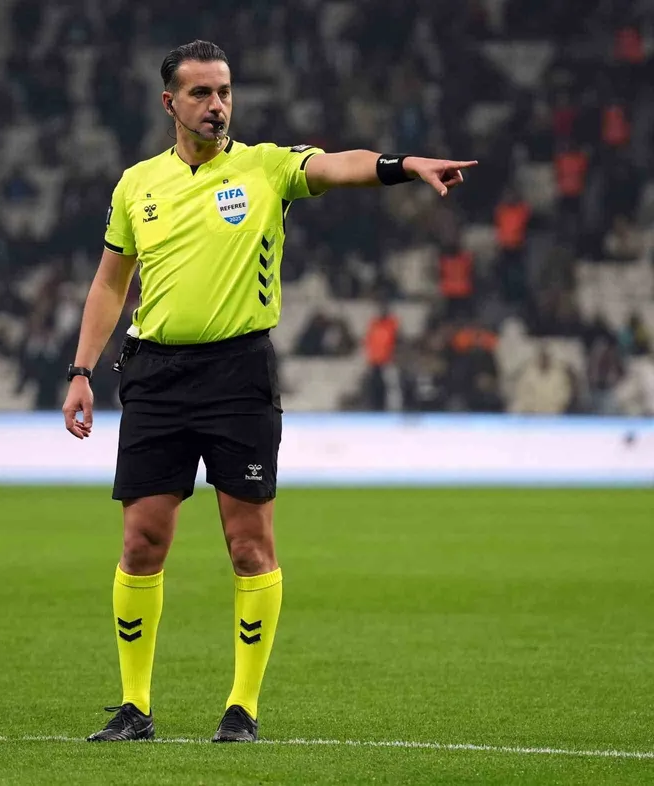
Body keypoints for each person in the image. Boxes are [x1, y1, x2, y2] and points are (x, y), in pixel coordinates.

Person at [61, 40, 477, 743]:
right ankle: (134, 706)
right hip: (155, 376)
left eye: (224, 91)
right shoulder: (137, 185)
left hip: (238, 375)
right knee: (142, 542)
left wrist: (405, 165)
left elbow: (337, 165)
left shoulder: (265, 167)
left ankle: (242, 708)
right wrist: (81, 370)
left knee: (249, 546)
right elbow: (110, 282)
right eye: (201, 93)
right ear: (170, 103)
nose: (216, 105)